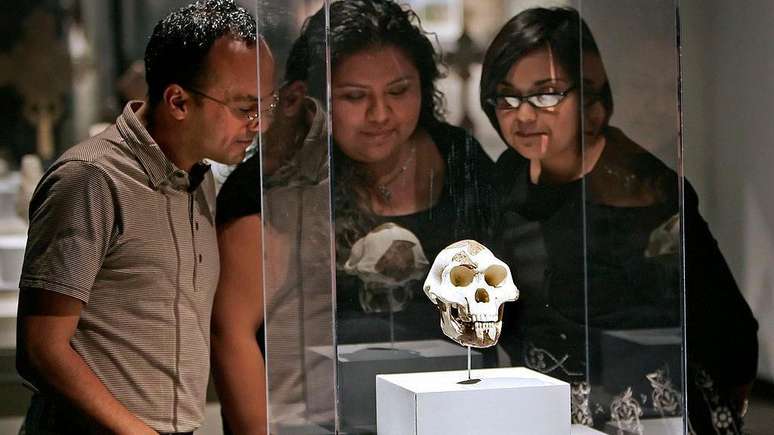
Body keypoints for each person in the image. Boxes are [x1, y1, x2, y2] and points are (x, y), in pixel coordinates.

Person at [212, 0, 499, 432]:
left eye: (399, 91)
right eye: (354, 97)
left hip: (450, 413)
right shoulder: (274, 190)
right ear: (312, 97)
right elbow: (231, 334)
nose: (380, 115)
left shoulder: (459, 160)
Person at [479, 7, 758, 433]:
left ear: (588, 96)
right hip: (542, 406)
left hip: (647, 413)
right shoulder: (507, 176)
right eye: (507, 97)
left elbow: (723, 321)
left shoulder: (642, 191)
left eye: (547, 93)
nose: (523, 115)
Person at [15, 1, 276, 433]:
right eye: (244, 107)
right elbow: (41, 349)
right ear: (178, 101)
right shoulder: (92, 179)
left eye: (265, 105)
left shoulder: (200, 176)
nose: (258, 124)